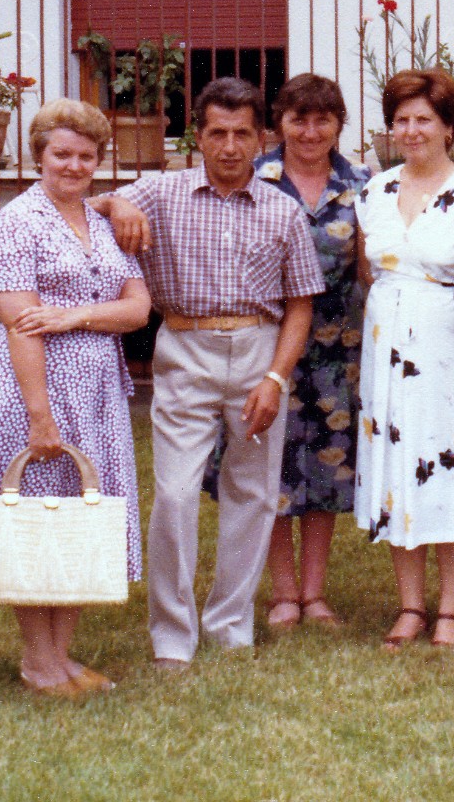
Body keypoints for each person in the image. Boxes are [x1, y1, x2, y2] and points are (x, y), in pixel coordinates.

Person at [91, 76, 322, 670]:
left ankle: (230, 625)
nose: (229, 146)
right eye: (217, 133)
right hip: (185, 348)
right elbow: (85, 207)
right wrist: (117, 204)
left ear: (261, 138)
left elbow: (300, 303)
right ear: (197, 135)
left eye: (242, 133)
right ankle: (173, 635)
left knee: (253, 494)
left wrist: (275, 379)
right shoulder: (159, 192)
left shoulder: (282, 210)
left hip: (258, 350)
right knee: (174, 495)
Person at [0, 99, 152, 697]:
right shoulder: (17, 221)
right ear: (39, 155)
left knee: (81, 513)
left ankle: (62, 657)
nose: (73, 166)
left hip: (95, 392)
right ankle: (38, 661)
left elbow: (138, 309)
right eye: (61, 154)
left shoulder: (101, 221)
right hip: (29, 388)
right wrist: (40, 417)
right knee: (36, 514)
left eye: (86, 156)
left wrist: (72, 315)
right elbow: (20, 321)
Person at [202, 73, 370, 630]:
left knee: (326, 465)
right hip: (265, 343)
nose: (311, 131)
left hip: (337, 351)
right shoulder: (256, 178)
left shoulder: (363, 185)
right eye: (299, 119)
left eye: (324, 120)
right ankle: (281, 591)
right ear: (279, 124)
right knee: (266, 465)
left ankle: (314, 594)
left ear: (339, 125)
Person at [354, 70, 454, 651]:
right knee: (397, 464)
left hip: (450, 349)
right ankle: (410, 605)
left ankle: (451, 608)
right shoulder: (374, 192)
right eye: (401, 120)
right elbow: (369, 271)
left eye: (424, 119)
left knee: (449, 464)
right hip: (387, 347)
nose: (412, 130)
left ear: (449, 127)